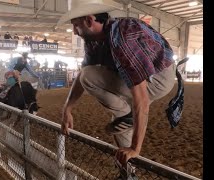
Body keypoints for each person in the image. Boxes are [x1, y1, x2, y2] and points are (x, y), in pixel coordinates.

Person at [58, 0, 177, 179]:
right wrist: (67, 108)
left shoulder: (123, 38)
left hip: (159, 78)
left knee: (117, 109)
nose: (74, 31)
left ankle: (125, 117)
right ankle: (128, 174)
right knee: (117, 122)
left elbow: (142, 99)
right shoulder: (94, 40)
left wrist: (136, 148)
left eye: (76, 25)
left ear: (90, 21)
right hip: (145, 75)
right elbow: (84, 73)